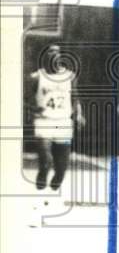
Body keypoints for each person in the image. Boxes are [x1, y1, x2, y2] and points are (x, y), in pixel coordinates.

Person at [26, 43, 83, 194]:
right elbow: (24, 98)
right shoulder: (36, 76)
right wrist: (32, 108)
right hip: (44, 120)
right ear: (45, 57)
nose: (53, 54)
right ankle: (42, 176)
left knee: (62, 167)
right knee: (46, 159)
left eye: (56, 52)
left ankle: (56, 182)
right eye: (50, 52)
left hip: (63, 121)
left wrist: (79, 114)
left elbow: (75, 96)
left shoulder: (69, 76)